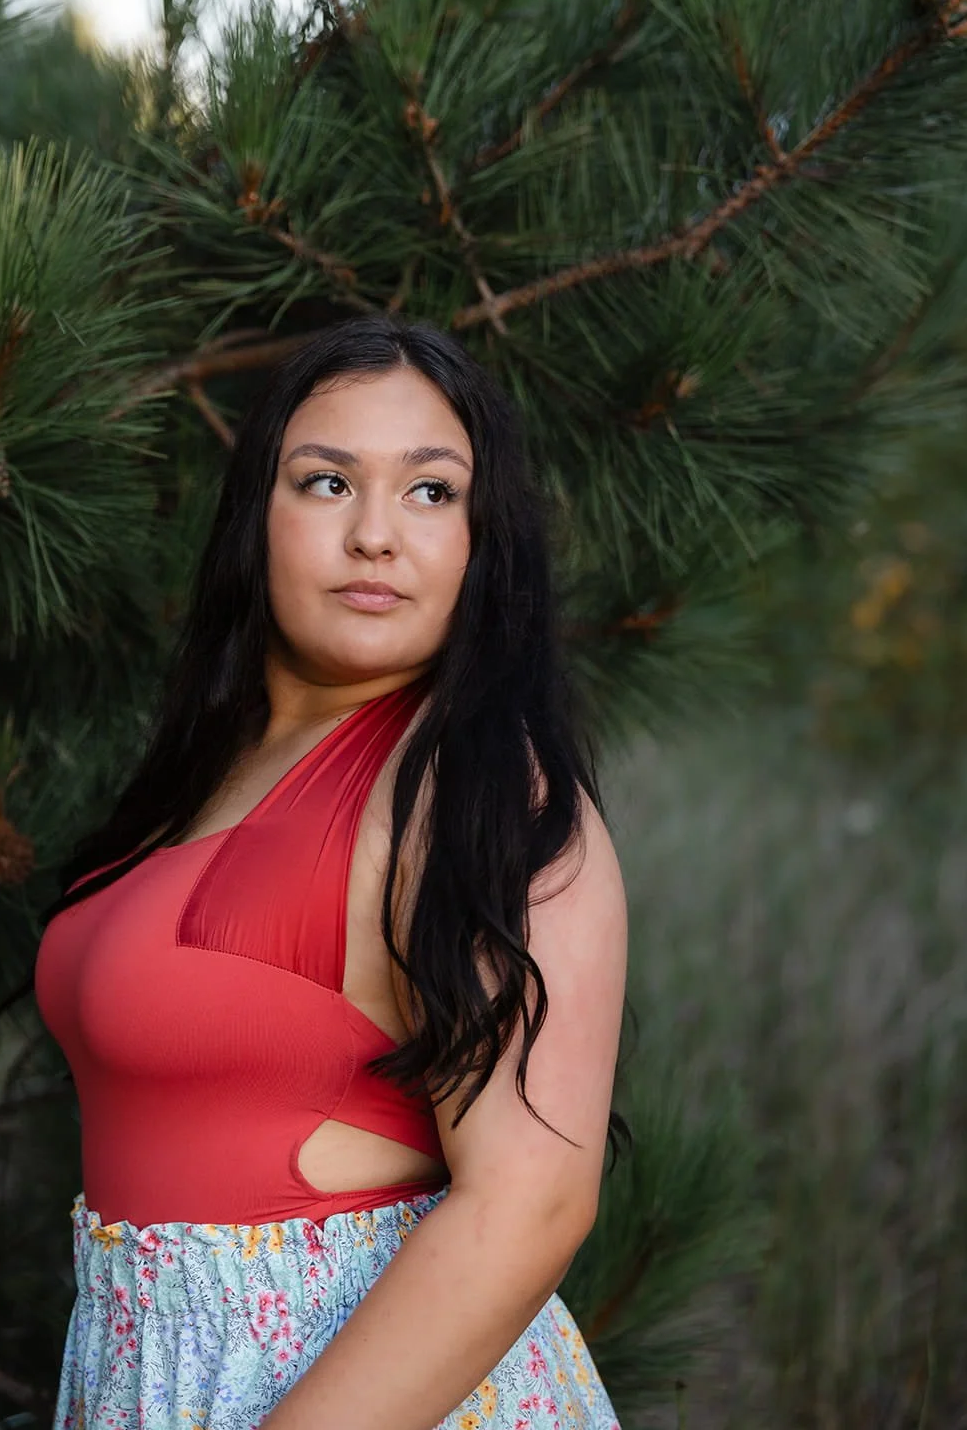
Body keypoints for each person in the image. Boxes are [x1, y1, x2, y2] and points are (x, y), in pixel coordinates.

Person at [32, 313, 629, 1429]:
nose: (375, 536)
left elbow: (533, 1199)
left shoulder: (482, 786)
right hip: (161, 1371)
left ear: (484, 539)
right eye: (324, 482)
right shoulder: (214, 763)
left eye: (431, 491)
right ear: (255, 514)